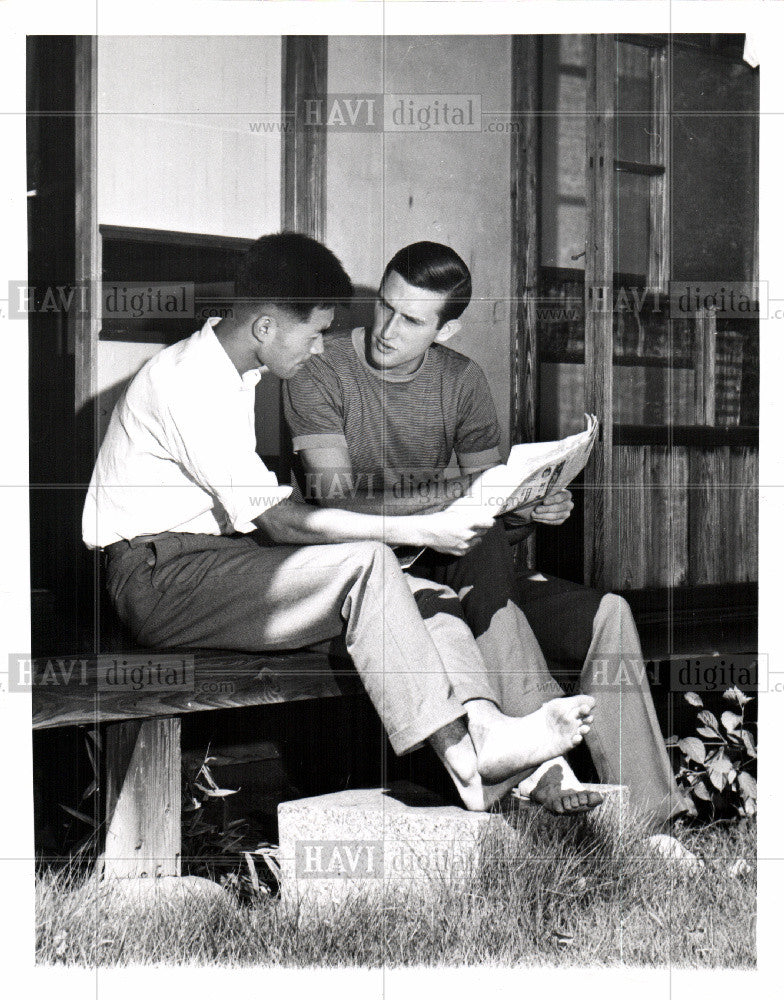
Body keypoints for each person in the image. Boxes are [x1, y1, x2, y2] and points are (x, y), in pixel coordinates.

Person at [82, 231, 597, 815]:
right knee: (374, 562)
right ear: (267, 327)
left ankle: (484, 744)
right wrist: (422, 530)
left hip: (211, 561)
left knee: (422, 593)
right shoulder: (187, 383)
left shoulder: (231, 375)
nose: (323, 348)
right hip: (157, 578)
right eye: (315, 332)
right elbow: (281, 523)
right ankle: (474, 752)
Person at [283, 240, 696, 829]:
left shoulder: (462, 380)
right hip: (385, 583)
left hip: (473, 568)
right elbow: (333, 498)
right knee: (481, 553)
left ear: (446, 331)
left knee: (608, 614)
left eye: (412, 319)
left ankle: (651, 824)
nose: (387, 330)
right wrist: (466, 498)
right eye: (385, 307)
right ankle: (544, 765)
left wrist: (532, 508)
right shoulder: (319, 368)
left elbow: (493, 509)